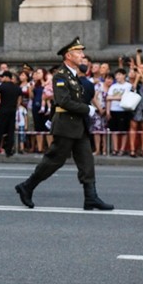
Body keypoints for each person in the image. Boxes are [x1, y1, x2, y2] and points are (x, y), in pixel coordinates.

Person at [15, 37, 113, 211]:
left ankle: (91, 197)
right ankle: (27, 186)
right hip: (66, 125)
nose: (82, 55)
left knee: (86, 160)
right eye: (79, 52)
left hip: (78, 126)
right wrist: (86, 109)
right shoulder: (61, 75)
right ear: (68, 55)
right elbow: (63, 101)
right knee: (54, 160)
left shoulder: (74, 75)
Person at [0, 71, 21, 156]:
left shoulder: (1, 87)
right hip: (12, 110)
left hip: (3, 110)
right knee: (11, 131)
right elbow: (19, 100)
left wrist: (1, 103)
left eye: (3, 77)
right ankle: (9, 150)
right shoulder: (17, 88)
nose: (2, 79)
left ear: (7, 77)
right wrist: (15, 107)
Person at [106, 68, 132, 155]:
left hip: (124, 110)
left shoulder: (128, 86)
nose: (117, 77)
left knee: (123, 131)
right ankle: (115, 149)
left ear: (124, 75)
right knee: (114, 130)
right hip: (113, 110)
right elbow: (108, 99)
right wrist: (108, 111)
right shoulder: (113, 86)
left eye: (119, 75)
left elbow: (126, 97)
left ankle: (122, 149)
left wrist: (113, 98)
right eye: (116, 75)